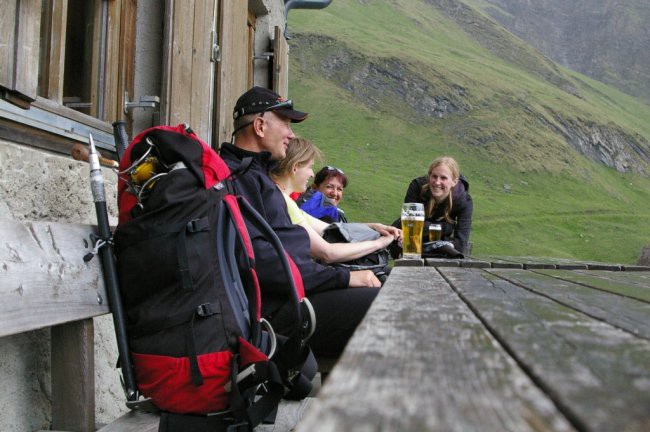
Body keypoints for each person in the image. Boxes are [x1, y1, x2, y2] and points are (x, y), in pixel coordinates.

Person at [219, 86, 380, 358]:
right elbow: (268, 263)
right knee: (391, 307)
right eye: (285, 123)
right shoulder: (240, 178)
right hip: (276, 317)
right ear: (259, 126)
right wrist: (346, 277)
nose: (291, 134)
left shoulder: (252, 174)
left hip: (289, 299)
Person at [270, 137, 398, 264]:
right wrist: (379, 243)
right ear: (295, 167)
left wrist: (375, 227)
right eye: (309, 167)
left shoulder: (282, 199)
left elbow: (331, 228)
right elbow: (327, 253)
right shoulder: (282, 201)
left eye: (340, 189)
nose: (312, 174)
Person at [398, 156, 473, 255]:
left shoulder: (464, 200)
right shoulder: (417, 187)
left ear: (454, 181)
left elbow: (460, 243)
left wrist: (426, 229)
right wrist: (447, 228)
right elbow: (409, 226)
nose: (437, 182)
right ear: (429, 176)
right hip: (408, 248)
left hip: (435, 252)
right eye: (434, 176)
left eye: (443, 178)